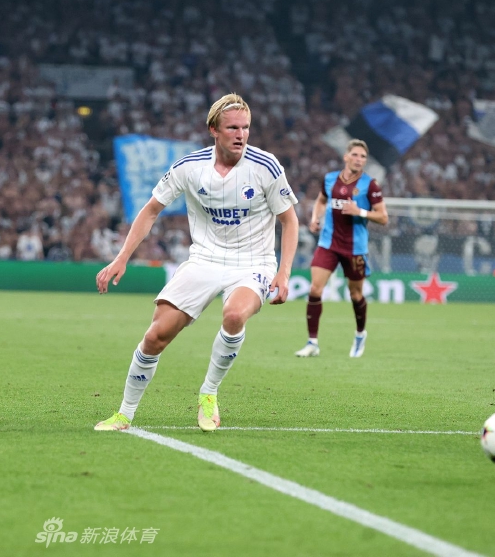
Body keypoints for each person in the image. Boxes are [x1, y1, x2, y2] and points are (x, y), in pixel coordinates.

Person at [94, 93, 299, 432]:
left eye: (246, 127)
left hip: (253, 263)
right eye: (232, 128)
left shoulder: (265, 166)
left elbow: (289, 221)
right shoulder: (189, 167)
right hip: (204, 260)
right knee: (156, 336)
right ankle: (124, 415)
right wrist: (121, 258)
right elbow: (151, 210)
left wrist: (284, 271)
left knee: (234, 315)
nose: (241, 135)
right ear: (213, 130)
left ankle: (209, 393)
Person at [295, 139, 388, 359]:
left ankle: (360, 334)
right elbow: (321, 201)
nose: (359, 159)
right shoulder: (330, 179)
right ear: (346, 157)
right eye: (355, 155)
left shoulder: (370, 185)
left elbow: (383, 217)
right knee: (315, 289)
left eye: (363, 157)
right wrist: (315, 218)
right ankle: (312, 343)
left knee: (355, 294)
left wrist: (360, 212)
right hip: (328, 243)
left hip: (355, 248)